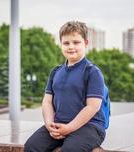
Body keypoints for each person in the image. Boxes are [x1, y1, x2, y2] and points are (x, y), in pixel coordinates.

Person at [24, 21, 106, 152]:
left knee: (70, 149)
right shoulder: (55, 72)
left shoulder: (92, 72)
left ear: (86, 43)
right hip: (59, 124)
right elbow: (47, 101)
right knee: (31, 147)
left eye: (76, 42)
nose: (71, 47)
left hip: (90, 127)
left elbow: (93, 107)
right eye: (66, 43)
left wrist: (69, 128)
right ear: (61, 44)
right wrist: (49, 124)